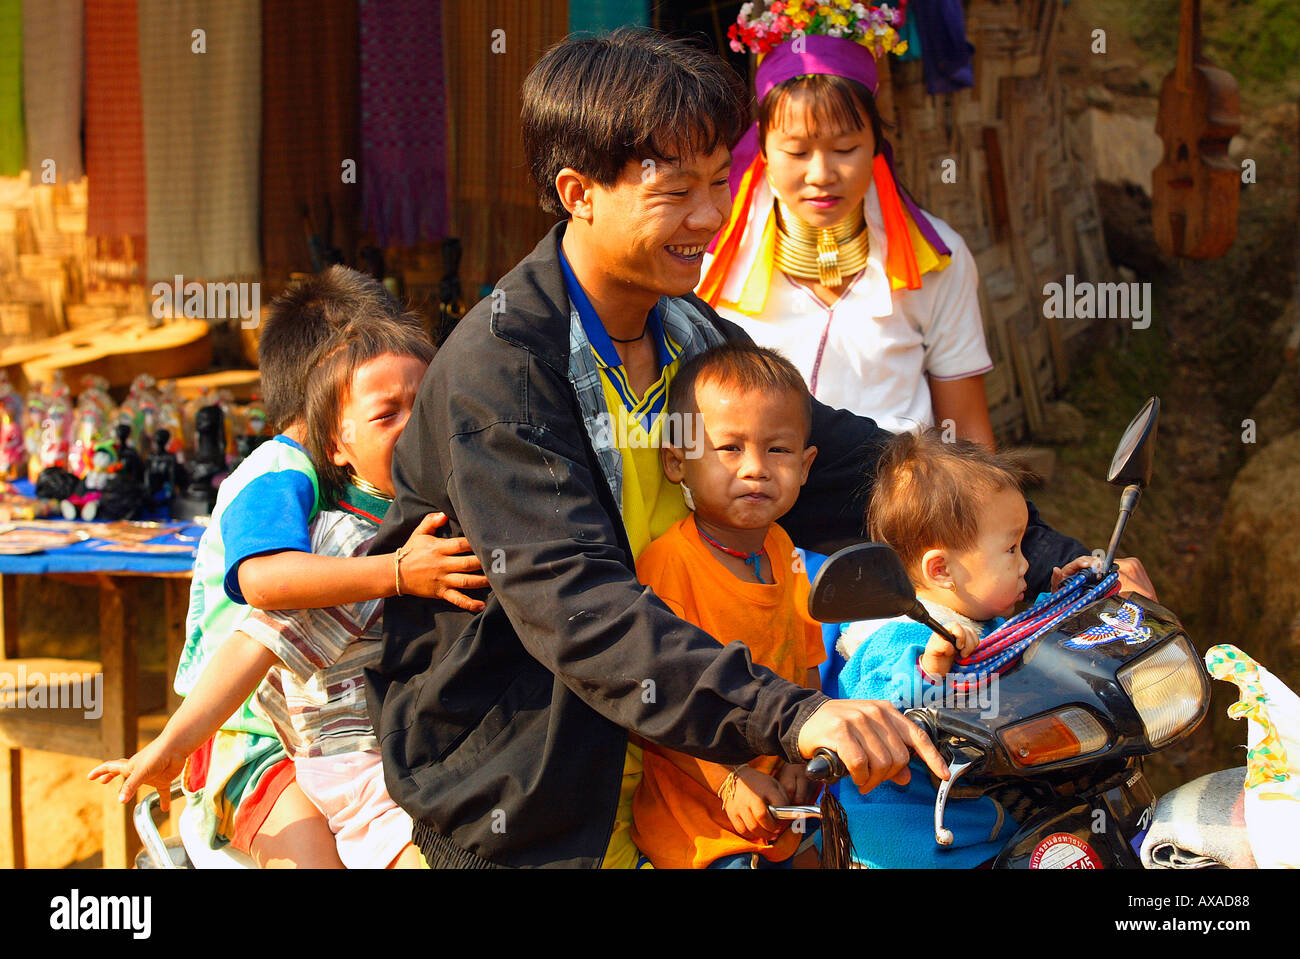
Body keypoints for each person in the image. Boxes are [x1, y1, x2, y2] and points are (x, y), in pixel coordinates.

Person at [367, 26, 1135, 871]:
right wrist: (792, 715)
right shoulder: (503, 374)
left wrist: (1067, 566)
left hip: (708, 774)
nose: (709, 216)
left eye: (717, 183)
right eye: (676, 192)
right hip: (535, 792)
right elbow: (578, 608)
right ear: (579, 192)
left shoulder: (688, 335)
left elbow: (858, 469)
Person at [99, 267, 485, 868]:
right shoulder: (282, 479)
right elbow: (265, 589)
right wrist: (398, 574)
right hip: (249, 737)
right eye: (384, 409)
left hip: (349, 727)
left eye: (426, 400)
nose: (414, 424)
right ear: (328, 416)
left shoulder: (416, 501)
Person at [699, 3, 995, 445]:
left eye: (845, 148)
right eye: (797, 152)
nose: (821, 174)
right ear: (760, 149)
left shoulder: (939, 262)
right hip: (753, 503)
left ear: (876, 143)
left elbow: (967, 433)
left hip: (896, 501)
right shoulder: (707, 260)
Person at [833, 428, 1099, 867]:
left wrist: (1062, 599)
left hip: (982, 824)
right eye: (1011, 549)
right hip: (916, 847)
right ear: (942, 571)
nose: (1026, 564)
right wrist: (930, 668)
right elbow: (877, 710)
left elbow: (1020, 649)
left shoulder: (980, 620)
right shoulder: (890, 638)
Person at [629, 343, 827, 869]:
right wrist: (727, 781)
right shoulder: (669, 565)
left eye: (778, 450)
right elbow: (648, 701)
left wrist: (799, 755)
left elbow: (806, 661)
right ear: (677, 461)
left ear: (806, 465)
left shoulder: (785, 550)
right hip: (700, 827)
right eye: (730, 448)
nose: (756, 470)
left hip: (786, 807)